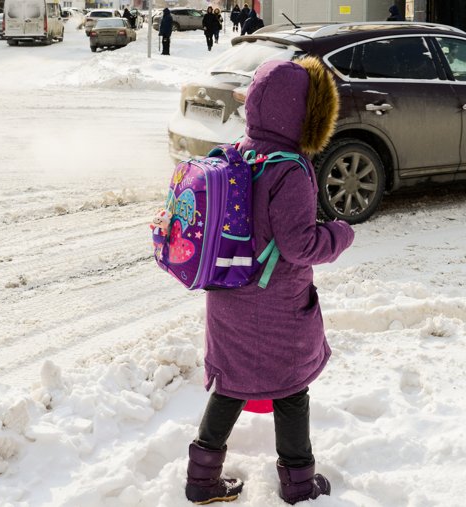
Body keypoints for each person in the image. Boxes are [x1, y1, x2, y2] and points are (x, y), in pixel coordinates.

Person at [183, 56, 353, 505]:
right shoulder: (290, 169)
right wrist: (339, 234)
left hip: (228, 294)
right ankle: (299, 483)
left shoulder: (242, 150)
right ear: (306, 114)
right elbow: (299, 245)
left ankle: (201, 478)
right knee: (292, 387)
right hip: (275, 302)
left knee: (232, 384)